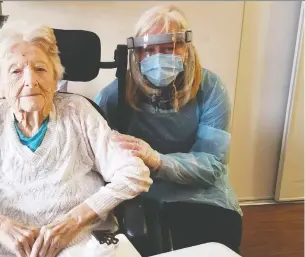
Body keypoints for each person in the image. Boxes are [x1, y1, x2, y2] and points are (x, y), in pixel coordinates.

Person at [0, 22, 152, 257]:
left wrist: (75, 220)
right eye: (16, 71)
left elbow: (134, 173)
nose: (30, 81)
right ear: (0, 83)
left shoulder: (79, 112)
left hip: (83, 248)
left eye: (40, 69)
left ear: (55, 76)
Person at [95, 5, 243, 253]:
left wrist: (158, 160)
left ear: (187, 49)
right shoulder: (117, 94)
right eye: (149, 50)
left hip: (202, 194)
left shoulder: (211, 89)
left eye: (168, 48)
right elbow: (97, 152)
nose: (158, 58)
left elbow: (212, 164)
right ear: (136, 53)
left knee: (214, 241)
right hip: (141, 193)